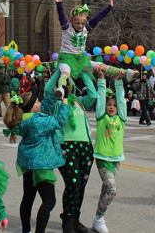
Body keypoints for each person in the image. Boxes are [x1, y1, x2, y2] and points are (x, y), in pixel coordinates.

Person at [3, 86, 69, 233]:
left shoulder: (25, 118)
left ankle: (26, 230)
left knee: (28, 198)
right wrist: (65, 100)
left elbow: (43, 107)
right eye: (38, 101)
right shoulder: (38, 122)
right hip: (41, 165)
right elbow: (61, 120)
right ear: (32, 107)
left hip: (28, 165)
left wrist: (58, 90)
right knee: (49, 201)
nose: (40, 103)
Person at [51, 0, 137, 99]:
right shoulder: (66, 28)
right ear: (71, 20)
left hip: (80, 60)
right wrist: (59, 3)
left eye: (82, 23)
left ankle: (126, 73)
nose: (80, 26)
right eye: (77, 23)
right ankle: (60, 88)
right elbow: (61, 16)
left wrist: (109, 7)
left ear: (85, 21)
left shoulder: (85, 29)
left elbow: (97, 18)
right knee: (65, 71)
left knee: (100, 66)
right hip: (67, 58)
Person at [44, 70, 97, 233]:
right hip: (65, 147)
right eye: (64, 85)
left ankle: (75, 219)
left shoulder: (81, 101)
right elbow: (47, 90)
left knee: (81, 186)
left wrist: (84, 72)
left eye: (69, 85)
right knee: (74, 183)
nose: (67, 87)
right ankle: (67, 219)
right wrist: (60, 71)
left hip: (86, 147)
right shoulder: (57, 102)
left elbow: (93, 95)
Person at [91, 68, 126, 233]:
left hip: (116, 159)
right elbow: (100, 97)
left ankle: (98, 218)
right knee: (112, 189)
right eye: (109, 105)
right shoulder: (101, 117)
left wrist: (118, 81)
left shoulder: (121, 118)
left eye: (114, 105)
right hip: (103, 158)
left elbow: (121, 99)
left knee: (106, 190)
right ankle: (99, 218)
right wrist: (102, 79)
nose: (112, 107)